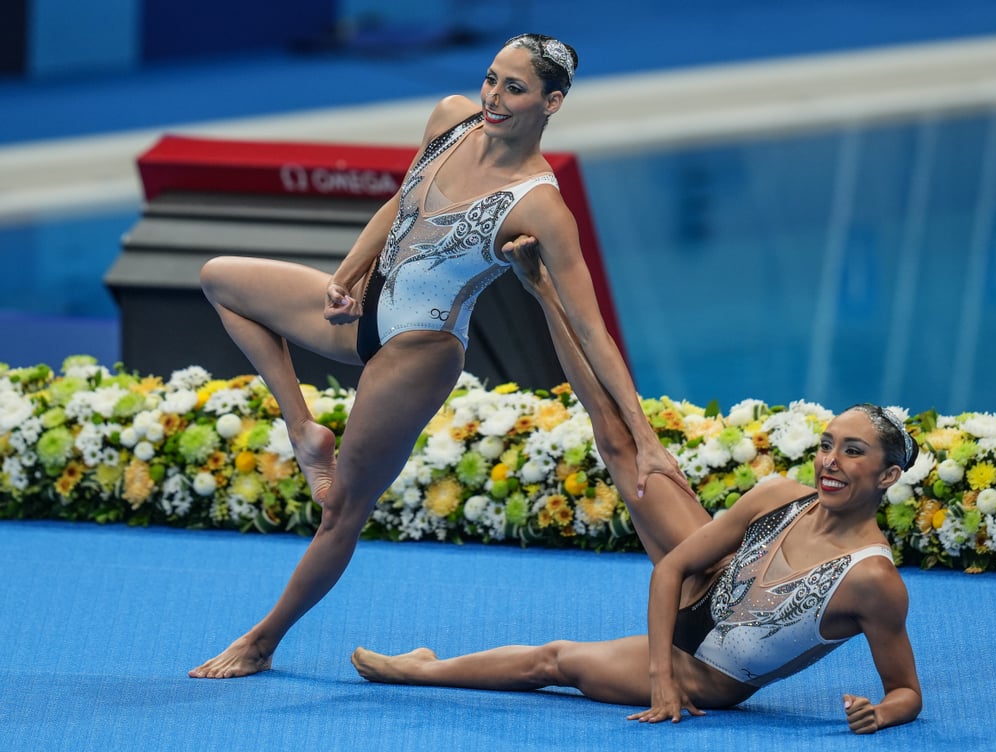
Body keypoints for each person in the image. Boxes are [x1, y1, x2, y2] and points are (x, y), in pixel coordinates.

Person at [189, 33, 685, 679]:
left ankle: (261, 642)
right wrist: (346, 273)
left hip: (418, 351)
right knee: (221, 278)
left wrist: (643, 437)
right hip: (364, 309)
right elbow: (404, 199)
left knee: (342, 508)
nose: (493, 97)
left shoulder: (538, 203)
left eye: (514, 88)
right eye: (491, 79)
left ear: (552, 101)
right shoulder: (452, 117)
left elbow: (592, 332)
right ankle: (304, 427)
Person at [350, 249, 923, 735]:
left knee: (555, 661)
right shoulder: (777, 495)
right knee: (618, 441)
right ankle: (543, 289)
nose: (830, 461)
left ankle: (422, 669)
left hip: (700, 669)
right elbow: (670, 571)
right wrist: (657, 679)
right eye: (827, 444)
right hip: (702, 583)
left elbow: (906, 691)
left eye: (853, 452)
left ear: (887, 475)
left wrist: (880, 712)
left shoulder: (872, 580)